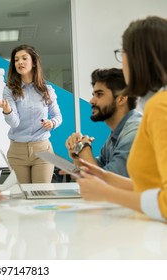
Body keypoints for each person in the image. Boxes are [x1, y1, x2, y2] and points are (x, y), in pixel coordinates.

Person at [77, 16, 167, 222]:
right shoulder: (156, 105)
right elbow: (153, 187)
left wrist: (106, 192)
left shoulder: (160, 106)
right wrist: (105, 178)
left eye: (123, 52)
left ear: (137, 58)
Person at [0, 44, 62, 184]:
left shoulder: (47, 90)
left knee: (42, 195)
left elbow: (57, 116)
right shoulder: (9, 90)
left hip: (43, 149)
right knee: (22, 197)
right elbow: (15, 123)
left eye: (24, 58)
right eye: (16, 59)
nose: (20, 62)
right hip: (17, 151)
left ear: (34, 62)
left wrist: (52, 123)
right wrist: (7, 111)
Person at [65, 68, 141, 177]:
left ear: (121, 99)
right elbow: (98, 170)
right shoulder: (117, 133)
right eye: (93, 94)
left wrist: (84, 147)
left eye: (99, 94)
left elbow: (107, 183)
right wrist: (78, 154)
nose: (91, 100)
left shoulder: (135, 133)